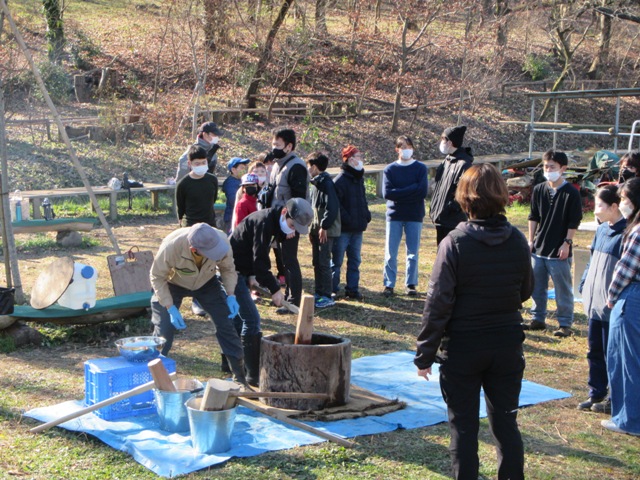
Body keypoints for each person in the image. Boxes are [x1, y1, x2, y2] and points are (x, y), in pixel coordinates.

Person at [415, 163, 533, 480]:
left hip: (466, 348)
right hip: (505, 344)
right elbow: (526, 290)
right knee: (505, 423)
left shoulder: (454, 243)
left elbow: (438, 303)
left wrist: (424, 354)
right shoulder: (516, 240)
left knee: (464, 427)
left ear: (464, 198)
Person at [149, 223, 247, 384]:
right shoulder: (172, 246)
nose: (216, 255)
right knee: (164, 332)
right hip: (172, 283)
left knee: (226, 324)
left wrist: (231, 294)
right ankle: (154, 379)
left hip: (207, 283)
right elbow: (157, 276)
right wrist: (169, 307)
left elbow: (228, 268)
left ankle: (240, 379)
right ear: (194, 249)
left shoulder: (221, 240)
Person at [230, 198, 312, 385]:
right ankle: (252, 375)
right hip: (231, 269)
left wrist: (251, 275)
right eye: (292, 225)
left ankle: (234, 366)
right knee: (251, 319)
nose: (293, 230)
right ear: (284, 213)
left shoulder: (276, 222)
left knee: (237, 317)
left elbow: (256, 254)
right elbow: (260, 261)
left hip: (243, 268)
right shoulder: (264, 222)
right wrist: (275, 289)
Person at [577, 185, 625, 414]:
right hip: (595, 304)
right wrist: (585, 284)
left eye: (599, 206)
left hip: (612, 305)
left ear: (614, 207)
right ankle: (596, 391)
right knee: (594, 350)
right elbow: (592, 260)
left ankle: (615, 398)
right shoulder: (602, 230)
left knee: (613, 354)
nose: (595, 210)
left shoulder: (626, 233)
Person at [524, 149, 583, 337]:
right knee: (537, 285)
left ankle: (565, 323)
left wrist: (567, 243)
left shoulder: (571, 193)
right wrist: (531, 239)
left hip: (559, 250)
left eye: (552, 167)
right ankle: (537, 318)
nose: (548, 170)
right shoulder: (540, 189)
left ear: (563, 168)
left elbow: (574, 221)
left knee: (562, 288)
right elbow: (533, 216)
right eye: (546, 166)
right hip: (539, 248)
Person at [601, 177, 640, 436]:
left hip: (632, 297)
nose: (622, 203)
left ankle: (629, 419)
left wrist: (612, 296)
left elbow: (625, 268)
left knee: (627, 360)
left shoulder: (637, 231)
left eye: (625, 199)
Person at [268, 128, 309, 313]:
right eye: (273, 144)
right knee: (283, 260)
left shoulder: (297, 167)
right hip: (277, 221)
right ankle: (285, 296)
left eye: (277, 144)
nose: (273, 148)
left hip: (290, 224)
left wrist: (292, 224)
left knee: (290, 260)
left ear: (289, 146)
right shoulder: (278, 165)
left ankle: (294, 300)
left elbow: (299, 200)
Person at [381, 135, 428, 297]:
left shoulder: (421, 168)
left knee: (413, 252)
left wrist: (400, 193)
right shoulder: (390, 169)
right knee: (390, 252)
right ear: (397, 149)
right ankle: (388, 284)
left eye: (409, 146)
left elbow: (422, 191)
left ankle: (411, 283)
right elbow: (387, 193)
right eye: (403, 147)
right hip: (394, 215)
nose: (407, 150)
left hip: (414, 214)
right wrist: (412, 189)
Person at [332, 145, 371, 300]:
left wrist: (366, 215)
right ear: (350, 159)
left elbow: (362, 200)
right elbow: (337, 206)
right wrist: (348, 219)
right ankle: (332, 288)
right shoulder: (340, 180)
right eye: (358, 156)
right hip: (344, 229)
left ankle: (352, 289)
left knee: (355, 260)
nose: (360, 159)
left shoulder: (359, 178)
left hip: (358, 229)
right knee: (337, 261)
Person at [306, 152, 341, 309]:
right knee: (317, 262)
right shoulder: (314, 184)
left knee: (324, 262)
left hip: (325, 230)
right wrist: (311, 228)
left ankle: (327, 295)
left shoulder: (327, 183)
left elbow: (332, 207)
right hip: (316, 229)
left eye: (308, 167)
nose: (308, 170)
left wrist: (324, 226)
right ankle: (319, 292)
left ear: (314, 167)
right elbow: (314, 209)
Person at [429, 125, 474, 246]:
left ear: (450, 142)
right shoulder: (447, 160)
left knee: (451, 254)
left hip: (452, 220)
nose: (441, 141)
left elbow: (464, 192)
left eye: (443, 138)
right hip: (441, 219)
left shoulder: (464, 164)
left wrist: (449, 208)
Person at [175, 145, 218, 228]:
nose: (201, 165)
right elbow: (180, 207)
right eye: (197, 163)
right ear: (189, 163)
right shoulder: (183, 184)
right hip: (190, 225)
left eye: (203, 162)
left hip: (210, 224)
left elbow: (213, 199)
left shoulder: (212, 180)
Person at [222, 157, 250, 233]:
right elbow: (233, 200)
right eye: (241, 168)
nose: (244, 170)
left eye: (245, 168)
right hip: (231, 217)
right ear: (233, 170)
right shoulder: (231, 183)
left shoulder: (241, 180)